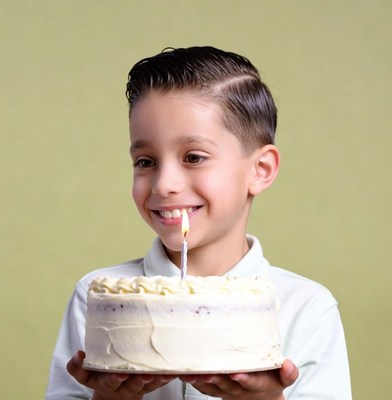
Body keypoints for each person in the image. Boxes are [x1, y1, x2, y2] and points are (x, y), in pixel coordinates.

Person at [46, 46, 352, 400]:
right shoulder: (100, 297)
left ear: (260, 170)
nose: (164, 184)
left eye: (194, 157)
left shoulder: (306, 307)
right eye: (145, 161)